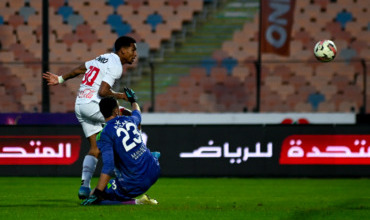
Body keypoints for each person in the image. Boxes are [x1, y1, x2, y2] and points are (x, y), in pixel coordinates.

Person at [42, 36, 137, 199]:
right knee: (128, 117)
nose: (135, 54)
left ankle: (84, 187)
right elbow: (103, 91)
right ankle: (129, 177)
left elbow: (80, 68)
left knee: (95, 148)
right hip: (93, 103)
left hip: (80, 105)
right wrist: (123, 96)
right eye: (133, 50)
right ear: (122, 50)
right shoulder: (116, 65)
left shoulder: (102, 58)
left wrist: (60, 79)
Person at [81, 91, 160, 205]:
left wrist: (98, 193)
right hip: (154, 169)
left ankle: (139, 202)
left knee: (93, 196)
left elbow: (109, 166)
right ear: (116, 110)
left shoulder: (104, 134)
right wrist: (133, 100)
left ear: (102, 113)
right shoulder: (130, 120)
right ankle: (153, 156)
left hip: (136, 182)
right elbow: (137, 112)